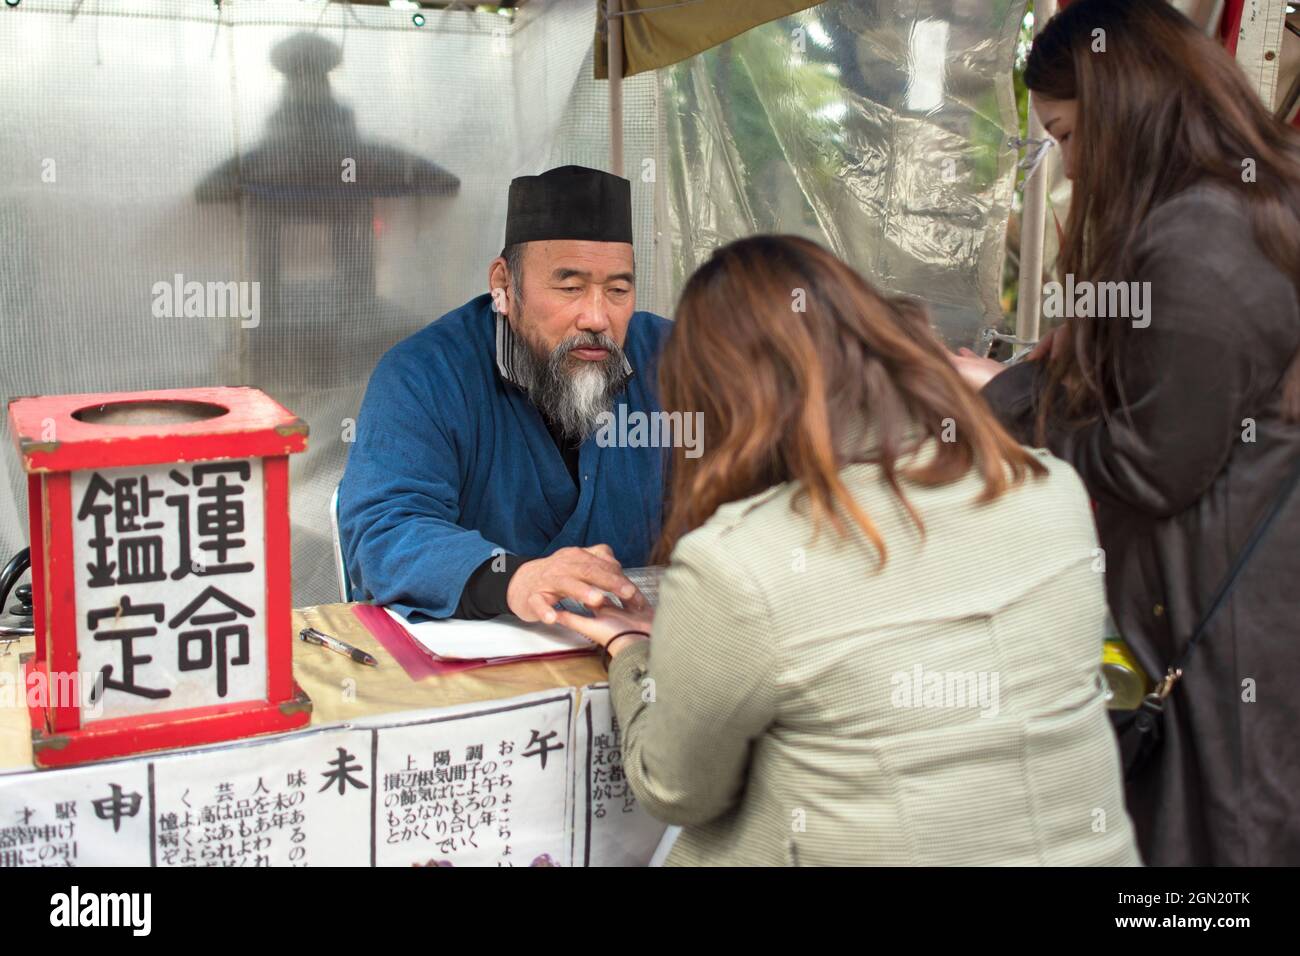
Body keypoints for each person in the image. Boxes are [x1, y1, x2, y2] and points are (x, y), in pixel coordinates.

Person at [555, 235, 1140, 866]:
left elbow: (675, 786)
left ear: (716, 396)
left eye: (617, 288)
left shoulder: (742, 561)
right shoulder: (1049, 489)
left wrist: (632, 650)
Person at [951, 0, 1300, 866]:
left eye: (1067, 135)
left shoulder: (1200, 236)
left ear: (1123, 107)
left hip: (1223, 632)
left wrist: (1009, 420)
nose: (1067, 166)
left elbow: (1154, 465)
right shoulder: (1246, 203)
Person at [338, 165, 671, 622]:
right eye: (570, 287)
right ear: (504, 285)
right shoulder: (425, 375)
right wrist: (515, 580)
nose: (596, 317)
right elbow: (384, 530)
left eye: (617, 289)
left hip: (645, 660)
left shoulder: (676, 360)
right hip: (476, 673)